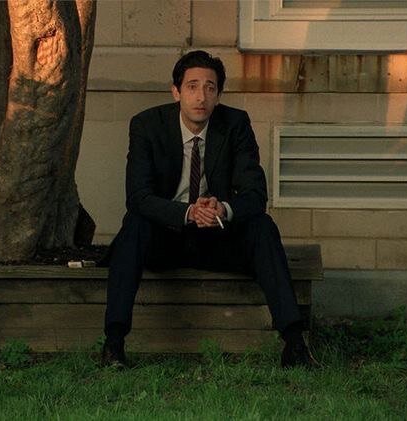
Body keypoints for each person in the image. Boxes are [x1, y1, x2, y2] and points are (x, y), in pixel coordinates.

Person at [101, 50, 318, 369]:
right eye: (192, 86)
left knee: (262, 226)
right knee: (134, 224)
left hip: (217, 237)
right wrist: (188, 212)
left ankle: (294, 343)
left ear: (218, 95)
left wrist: (223, 209)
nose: (201, 97)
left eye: (210, 87)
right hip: (167, 237)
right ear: (176, 92)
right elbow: (138, 197)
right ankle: (114, 345)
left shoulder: (235, 124)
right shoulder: (147, 125)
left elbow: (255, 194)